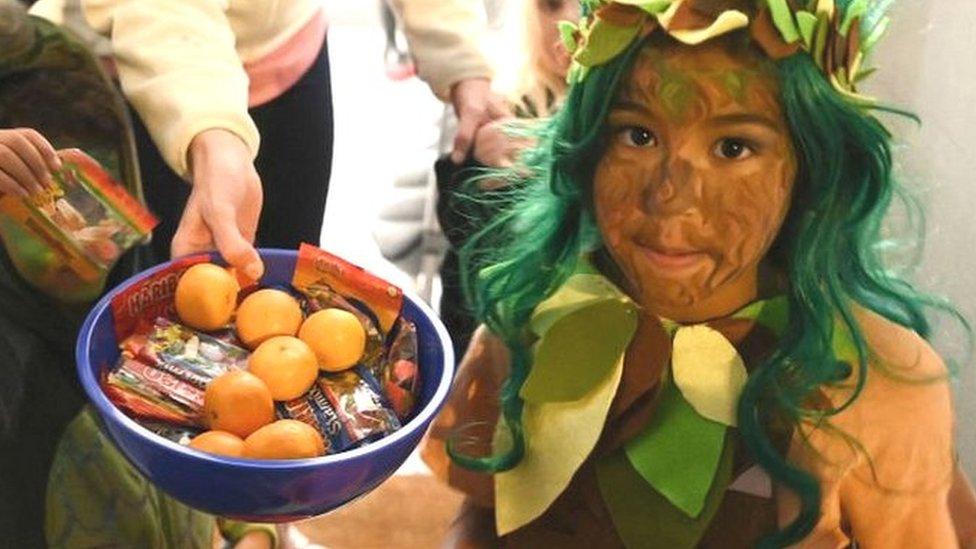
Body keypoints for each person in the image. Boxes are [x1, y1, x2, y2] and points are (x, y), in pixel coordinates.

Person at [421, 0, 976, 546]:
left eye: (733, 148)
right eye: (638, 135)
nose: (670, 197)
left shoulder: (875, 387)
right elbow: (483, 514)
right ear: (589, 148)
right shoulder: (529, 323)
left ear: (811, 171)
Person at [30, 0, 502, 280]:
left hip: (287, 52)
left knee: (278, 293)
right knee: (151, 315)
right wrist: (211, 131)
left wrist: (460, 57)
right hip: (140, 82)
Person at [437, 0, 579, 359]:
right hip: (500, 341)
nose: (569, 21)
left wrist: (549, 163)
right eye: (551, 4)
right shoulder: (507, 102)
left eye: (591, 5)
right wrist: (480, 174)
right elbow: (464, 257)